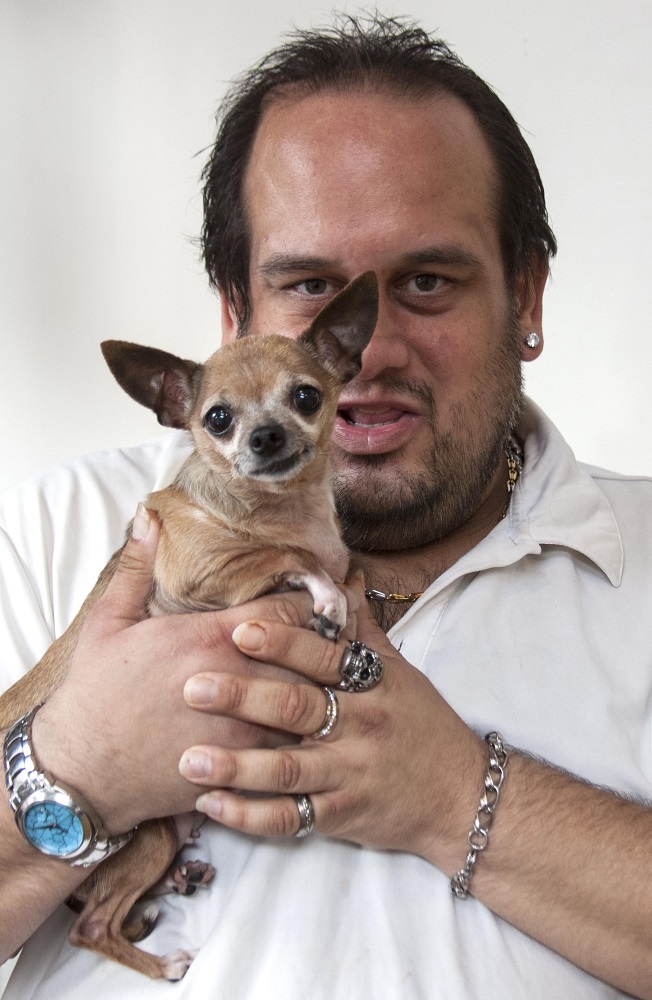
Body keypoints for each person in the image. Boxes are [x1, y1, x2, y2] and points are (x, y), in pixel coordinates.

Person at [1, 13, 652, 999]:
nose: (370, 357)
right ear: (231, 311)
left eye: (427, 283)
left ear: (527, 298)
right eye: (308, 284)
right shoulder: (66, 527)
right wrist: (72, 769)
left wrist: (451, 795)